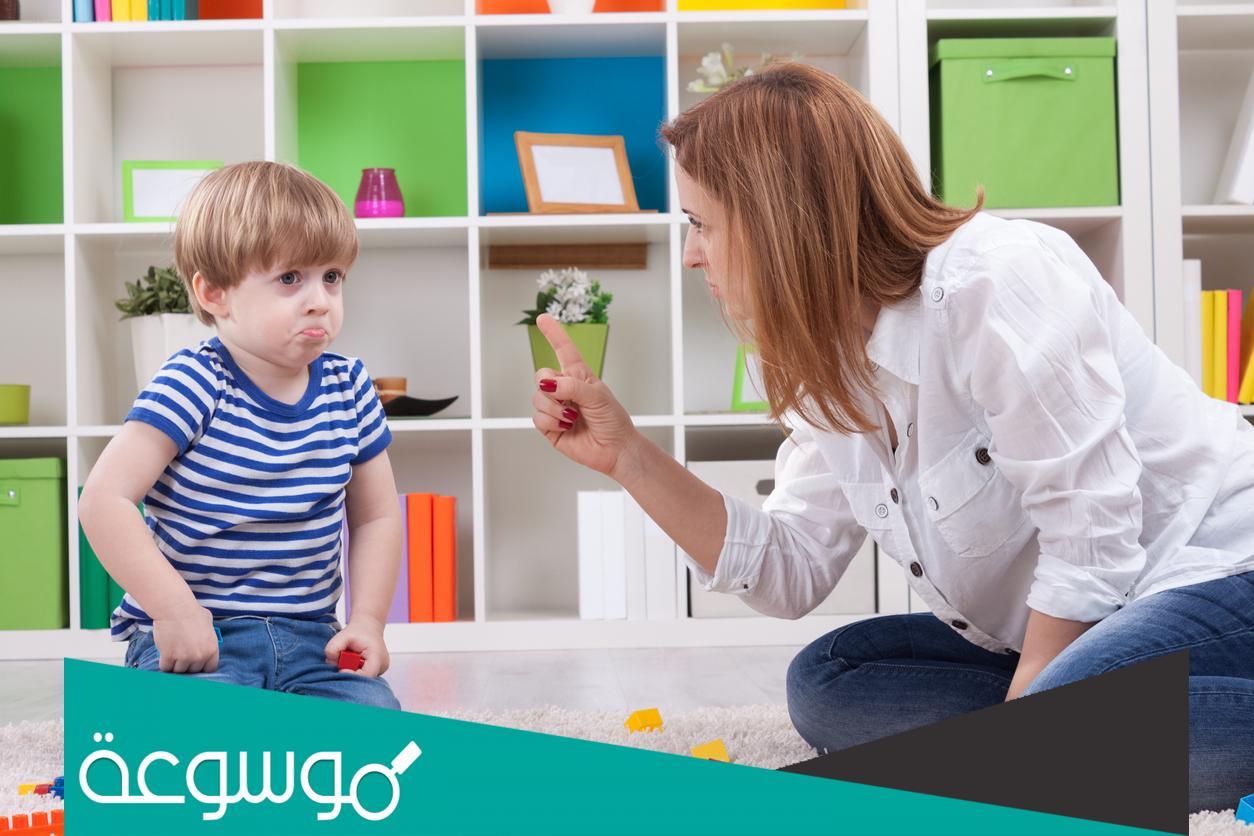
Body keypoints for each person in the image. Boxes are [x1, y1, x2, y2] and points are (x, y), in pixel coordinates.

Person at [529, 63, 1254, 812]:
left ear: (778, 217)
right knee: (829, 682)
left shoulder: (992, 280)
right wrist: (629, 456)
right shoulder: (824, 352)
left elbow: (1091, 538)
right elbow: (789, 568)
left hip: (1215, 568)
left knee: (1061, 725)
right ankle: (1085, 729)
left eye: (701, 223)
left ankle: (1067, 734)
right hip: (1089, 618)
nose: (691, 254)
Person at [79, 161, 402, 710]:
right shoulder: (194, 381)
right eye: (290, 279)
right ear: (215, 293)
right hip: (199, 636)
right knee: (193, 730)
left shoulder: (350, 388)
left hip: (313, 641)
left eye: (331, 277)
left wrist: (367, 622)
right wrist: (174, 612)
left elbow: (376, 517)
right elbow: (103, 500)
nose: (320, 299)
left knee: (377, 729)